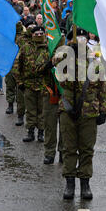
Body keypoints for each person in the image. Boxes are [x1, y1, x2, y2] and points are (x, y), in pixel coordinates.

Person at [53, 28, 106, 200]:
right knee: (69, 148)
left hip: (90, 110)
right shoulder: (65, 56)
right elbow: (53, 61)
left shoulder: (96, 61)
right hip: (68, 109)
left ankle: (85, 183)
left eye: (84, 38)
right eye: (78, 38)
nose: (81, 41)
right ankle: (69, 184)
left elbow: (102, 88)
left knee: (86, 149)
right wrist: (69, 51)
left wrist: (104, 110)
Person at [16, 26, 51, 143]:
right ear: (32, 35)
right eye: (36, 34)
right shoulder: (25, 48)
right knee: (30, 110)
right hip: (28, 84)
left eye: (41, 33)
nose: (39, 36)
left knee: (42, 110)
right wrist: (20, 82)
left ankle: (41, 132)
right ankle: (30, 132)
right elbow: (17, 65)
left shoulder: (48, 48)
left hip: (43, 84)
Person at [43, 36, 66, 165]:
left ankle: (63, 152)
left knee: (64, 126)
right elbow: (37, 69)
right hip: (50, 94)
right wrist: (49, 64)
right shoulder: (45, 52)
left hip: (64, 95)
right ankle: (49, 153)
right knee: (50, 126)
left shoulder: (68, 55)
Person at [5, 23, 27, 126]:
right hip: (10, 64)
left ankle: (20, 114)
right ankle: (10, 104)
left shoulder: (24, 37)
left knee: (20, 92)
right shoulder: (8, 36)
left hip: (20, 67)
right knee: (10, 85)